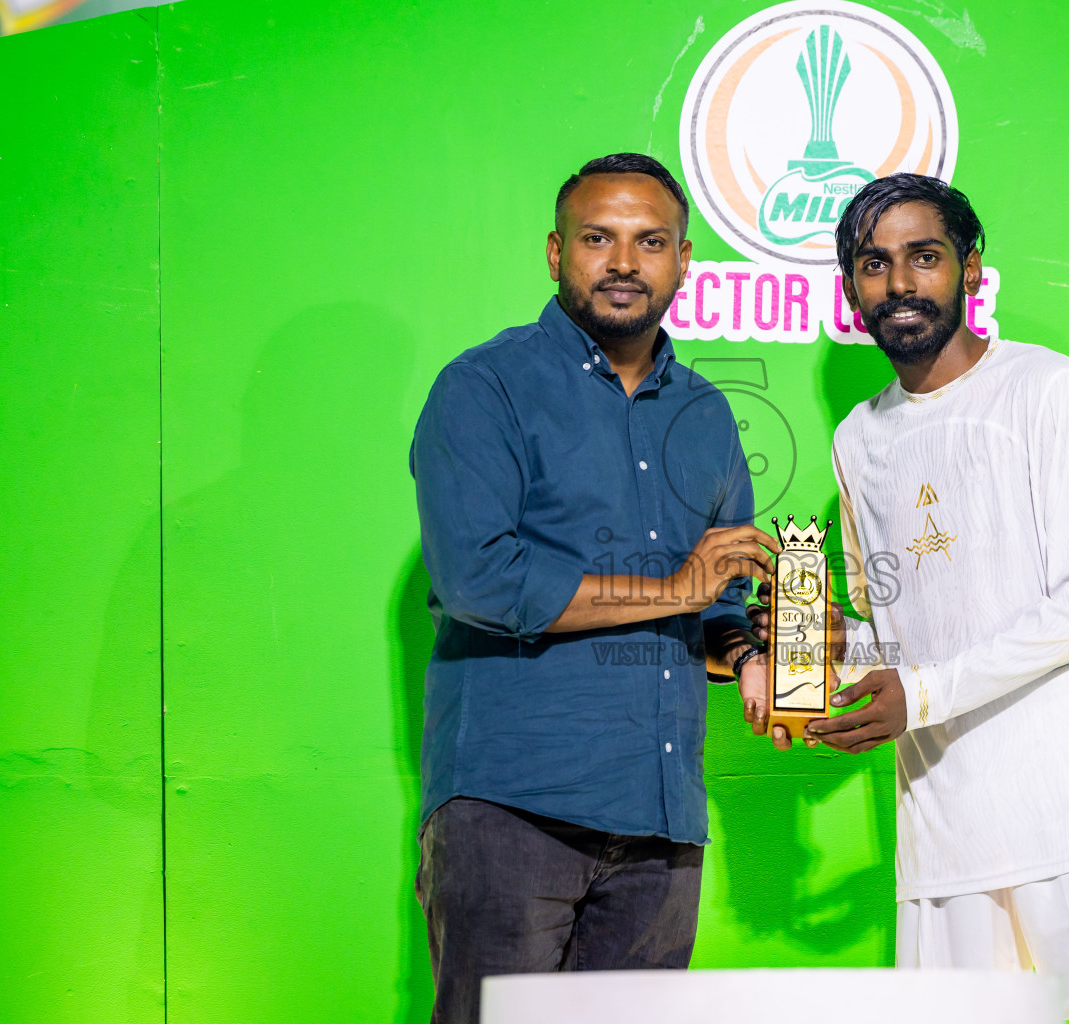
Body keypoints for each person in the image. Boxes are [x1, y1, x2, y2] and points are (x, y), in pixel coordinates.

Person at [769, 173, 1069, 1022]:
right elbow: (890, 630)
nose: (901, 284)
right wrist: (802, 651)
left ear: (971, 269)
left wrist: (922, 694)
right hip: (942, 839)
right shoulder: (856, 438)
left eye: (925, 257)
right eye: (875, 265)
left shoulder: (1046, 387)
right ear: (851, 291)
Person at [409, 152, 777, 1024]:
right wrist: (684, 586)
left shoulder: (707, 416)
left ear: (683, 262)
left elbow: (716, 602)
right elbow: (481, 579)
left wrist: (752, 655)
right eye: (597, 239)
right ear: (554, 254)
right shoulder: (484, 387)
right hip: (512, 809)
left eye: (650, 242)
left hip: (662, 822)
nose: (623, 263)